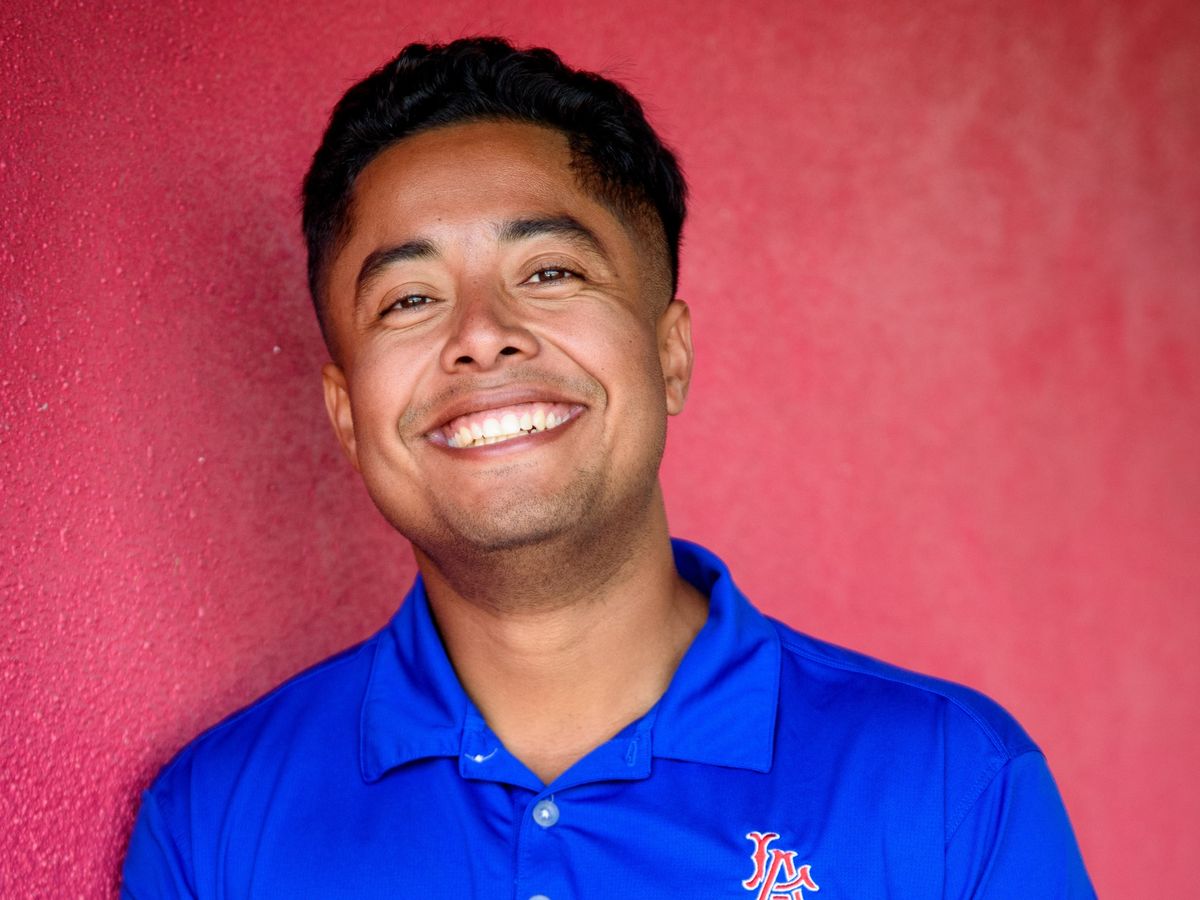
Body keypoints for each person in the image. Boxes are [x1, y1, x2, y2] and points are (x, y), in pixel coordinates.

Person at [122, 37, 1094, 898]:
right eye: (409, 299)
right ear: (346, 413)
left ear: (669, 356)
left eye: (550, 273)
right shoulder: (215, 824)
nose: (482, 336)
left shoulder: (948, 788)